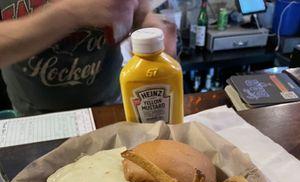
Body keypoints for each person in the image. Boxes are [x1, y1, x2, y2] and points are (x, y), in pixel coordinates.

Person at [0, 0, 176, 115]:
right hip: (35, 116)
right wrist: (70, 13)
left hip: (109, 107)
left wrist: (149, 24)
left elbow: (134, 8)